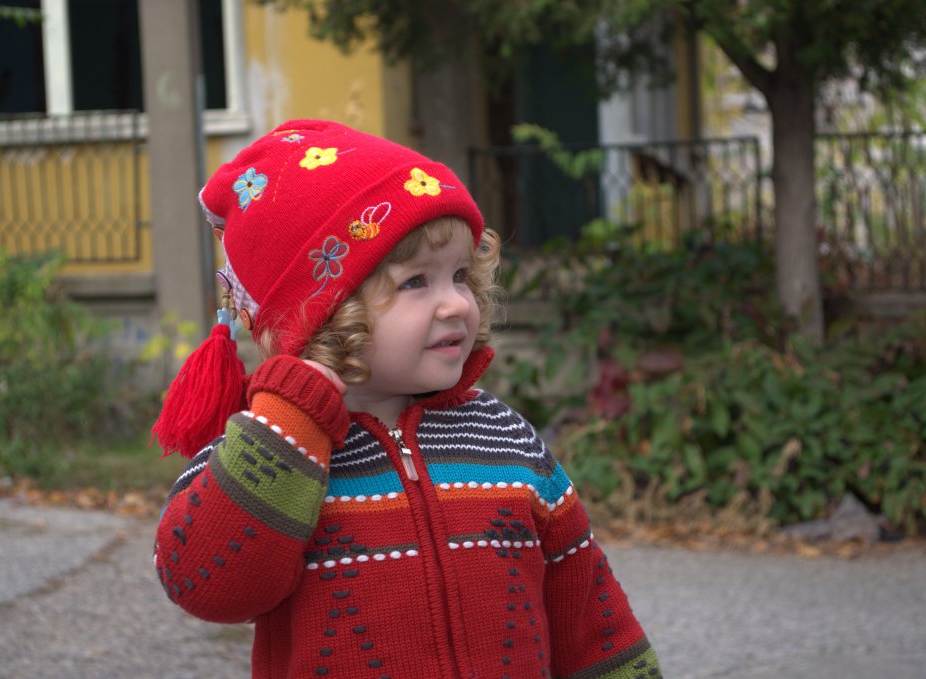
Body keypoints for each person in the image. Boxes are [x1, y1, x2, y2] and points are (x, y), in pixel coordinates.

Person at [152, 119, 662, 679]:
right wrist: (292, 419)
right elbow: (206, 586)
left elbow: (590, 614)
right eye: (416, 282)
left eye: (461, 275)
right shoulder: (270, 445)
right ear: (326, 312)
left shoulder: (503, 437)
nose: (457, 304)